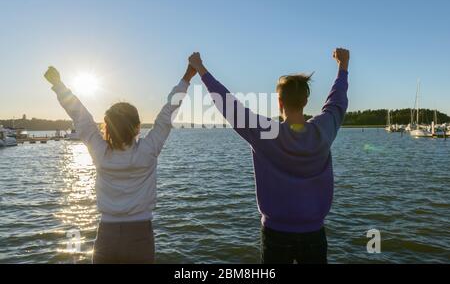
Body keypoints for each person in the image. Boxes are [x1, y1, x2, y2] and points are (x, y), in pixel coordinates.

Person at [188, 48, 349, 264]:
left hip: (276, 233)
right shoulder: (323, 129)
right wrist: (343, 67)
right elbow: (337, 101)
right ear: (305, 101)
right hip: (314, 233)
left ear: (280, 102)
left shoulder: (266, 132)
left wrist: (200, 69)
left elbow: (229, 105)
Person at [44, 64, 196, 263]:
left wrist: (58, 84)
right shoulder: (148, 151)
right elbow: (168, 113)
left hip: (107, 236)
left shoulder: (101, 153)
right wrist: (187, 76)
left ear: (107, 127)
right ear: (137, 127)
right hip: (140, 236)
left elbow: (80, 115)